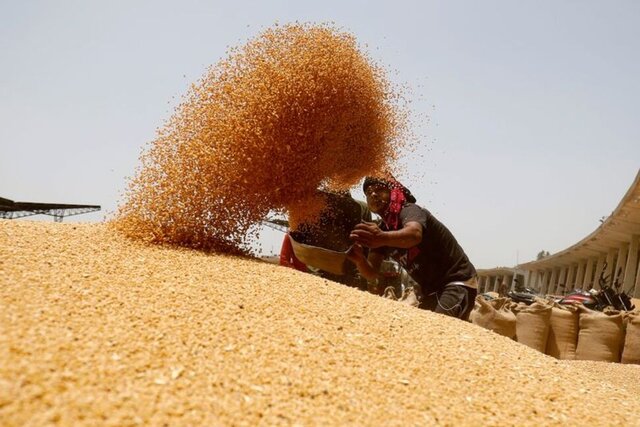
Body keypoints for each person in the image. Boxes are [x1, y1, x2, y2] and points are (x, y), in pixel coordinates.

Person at [347, 176, 477, 320]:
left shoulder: (409, 210)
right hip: (431, 290)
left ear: (394, 192)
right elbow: (371, 272)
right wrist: (359, 260)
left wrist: (381, 237)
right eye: (368, 193)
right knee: (417, 332)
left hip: (456, 281)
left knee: (437, 329)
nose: (373, 194)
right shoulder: (383, 229)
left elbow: (414, 234)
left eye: (379, 189)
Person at [281, 189, 372, 288]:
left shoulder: (361, 208)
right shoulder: (316, 203)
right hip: (322, 273)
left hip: (349, 271)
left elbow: (366, 245)